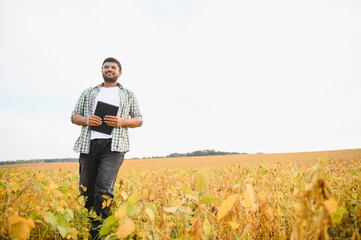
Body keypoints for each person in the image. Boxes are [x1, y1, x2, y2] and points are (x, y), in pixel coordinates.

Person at [71, 57, 143, 238]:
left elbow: (139, 119)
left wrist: (122, 121)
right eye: (106, 67)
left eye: (113, 67)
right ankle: (88, 225)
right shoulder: (89, 92)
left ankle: (99, 233)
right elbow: (74, 116)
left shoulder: (128, 94)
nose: (109, 69)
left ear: (120, 72)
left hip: (114, 146)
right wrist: (86, 120)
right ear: (102, 71)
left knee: (104, 189)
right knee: (86, 189)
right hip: (89, 144)